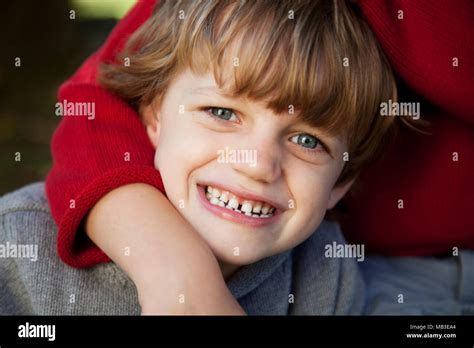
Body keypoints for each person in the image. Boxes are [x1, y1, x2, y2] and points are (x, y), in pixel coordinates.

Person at [1, 0, 403, 314]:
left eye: (308, 141)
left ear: (340, 183)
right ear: (154, 114)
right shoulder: (19, 246)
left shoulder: (325, 277)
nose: (257, 164)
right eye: (222, 113)